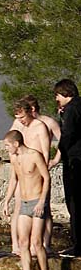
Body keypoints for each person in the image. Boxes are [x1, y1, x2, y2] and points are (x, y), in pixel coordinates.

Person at [2, 130, 50, 270]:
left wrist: (42, 201)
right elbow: (14, 179)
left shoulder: (34, 155)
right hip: (24, 202)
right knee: (23, 242)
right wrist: (6, 201)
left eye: (7, 145)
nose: (6, 148)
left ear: (16, 143)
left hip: (37, 201)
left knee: (36, 242)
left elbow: (46, 178)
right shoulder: (14, 158)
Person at [9, 99, 55, 254]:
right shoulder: (18, 125)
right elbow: (10, 141)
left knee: (44, 210)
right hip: (22, 169)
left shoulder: (40, 126)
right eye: (18, 117)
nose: (21, 120)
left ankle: (44, 244)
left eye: (22, 117)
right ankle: (16, 244)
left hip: (37, 170)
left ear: (30, 112)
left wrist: (46, 170)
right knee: (18, 206)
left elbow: (45, 152)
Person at [55, 78, 81, 257]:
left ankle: (77, 245)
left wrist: (58, 155)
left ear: (65, 93)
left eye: (57, 95)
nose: (56, 99)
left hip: (74, 161)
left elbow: (68, 134)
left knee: (74, 203)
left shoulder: (71, 110)